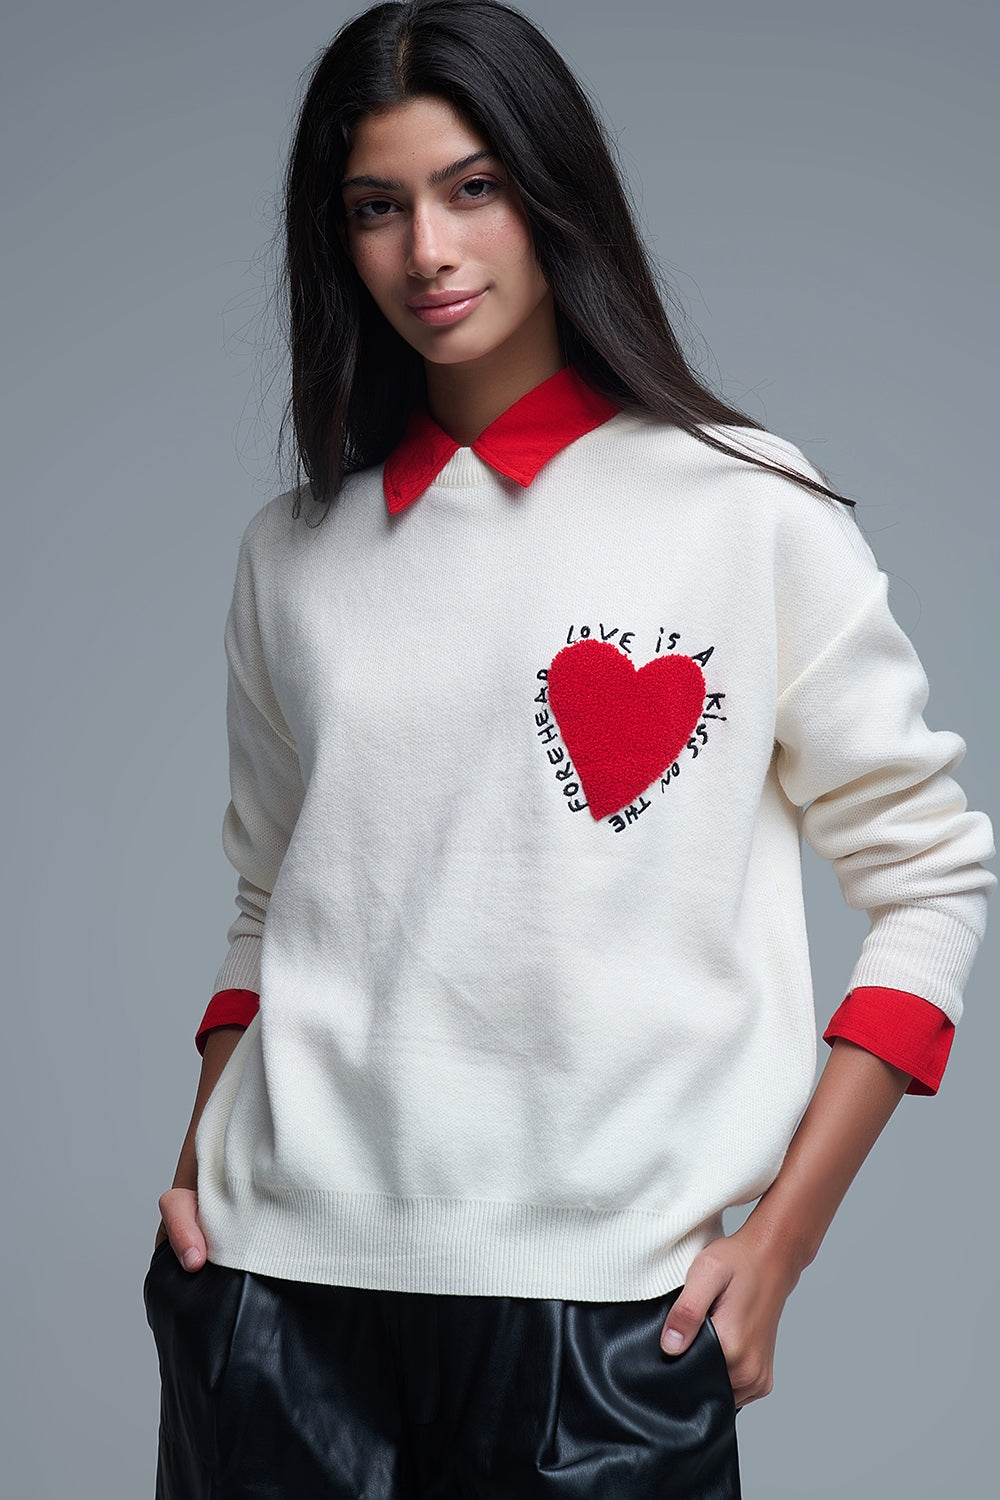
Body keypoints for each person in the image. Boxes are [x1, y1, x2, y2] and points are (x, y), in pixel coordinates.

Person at [143, 2, 994, 1496]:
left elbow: (933, 876)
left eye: (472, 187)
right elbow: (272, 894)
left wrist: (782, 1241)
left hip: (603, 1323)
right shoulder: (290, 554)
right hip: (272, 1298)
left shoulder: (749, 510)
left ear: (552, 194)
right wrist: (199, 1153)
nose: (429, 251)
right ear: (333, 238)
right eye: (376, 207)